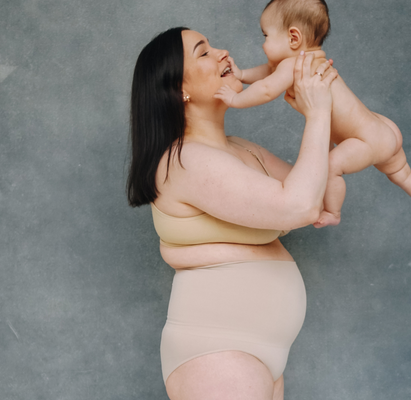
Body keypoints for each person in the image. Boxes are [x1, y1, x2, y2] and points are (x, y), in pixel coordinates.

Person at [127, 26, 337, 400]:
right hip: (218, 352)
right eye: (203, 52)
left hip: (256, 355)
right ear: (180, 90)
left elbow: (318, 196)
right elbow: (299, 206)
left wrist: (330, 109)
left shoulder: (242, 150)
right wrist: (317, 115)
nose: (223, 52)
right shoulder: (184, 160)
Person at [214, 0, 411, 234]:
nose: (263, 44)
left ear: (293, 38)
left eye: (266, 36)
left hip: (366, 142)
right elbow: (269, 73)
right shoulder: (312, 61)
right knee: (403, 174)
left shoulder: (293, 65)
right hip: (382, 127)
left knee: (331, 165)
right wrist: (241, 74)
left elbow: (266, 88)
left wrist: (235, 99)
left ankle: (332, 213)